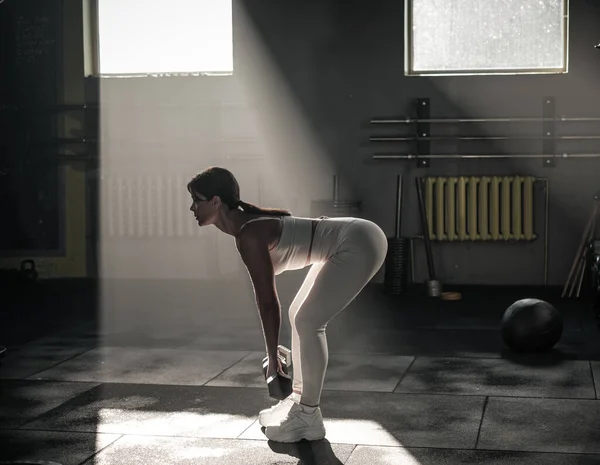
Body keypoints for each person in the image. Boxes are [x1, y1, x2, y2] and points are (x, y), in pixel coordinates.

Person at [188, 166, 388, 443]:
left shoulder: (248, 234)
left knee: (309, 321)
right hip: (350, 239)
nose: (192, 207)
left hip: (358, 241)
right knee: (299, 315)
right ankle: (298, 400)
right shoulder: (246, 227)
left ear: (216, 201)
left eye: (196, 200)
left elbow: (268, 302)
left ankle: (309, 415)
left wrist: (272, 359)